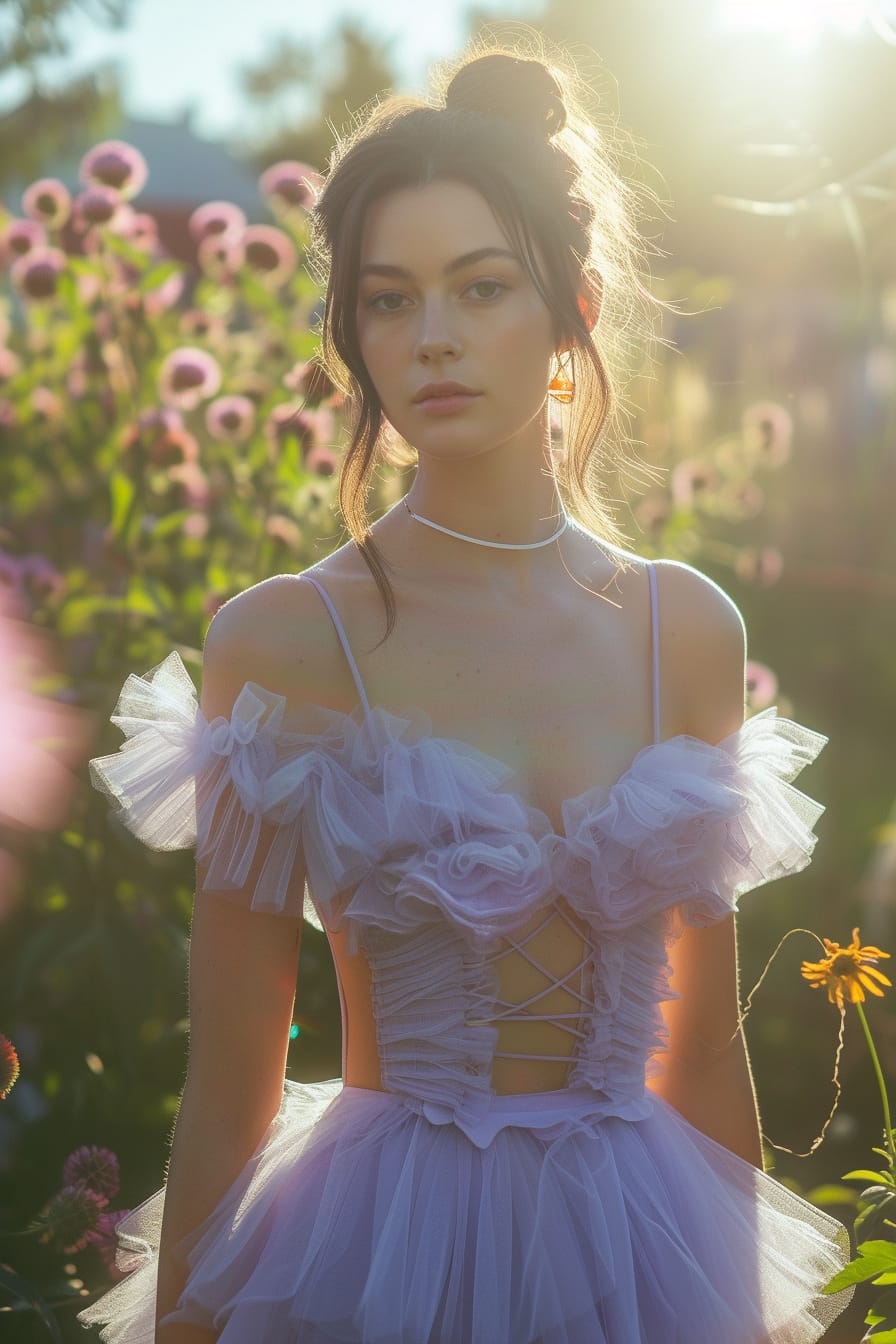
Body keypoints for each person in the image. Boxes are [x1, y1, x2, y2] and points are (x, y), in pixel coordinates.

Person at [78, 41, 855, 1344]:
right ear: (352, 332)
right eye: (388, 300)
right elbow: (229, 1083)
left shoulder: (685, 631)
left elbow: (705, 1054)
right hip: (374, 1262)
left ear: (574, 311)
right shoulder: (284, 640)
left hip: (640, 1254)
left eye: (480, 287)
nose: (430, 338)